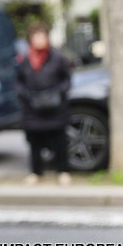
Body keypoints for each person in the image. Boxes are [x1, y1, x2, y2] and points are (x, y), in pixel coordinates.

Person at [16, 22, 73, 186]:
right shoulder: (25, 60)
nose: (39, 39)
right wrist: (27, 95)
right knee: (35, 143)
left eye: (42, 36)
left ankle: (63, 171)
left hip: (56, 108)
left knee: (60, 141)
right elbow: (19, 81)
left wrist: (58, 93)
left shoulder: (57, 57)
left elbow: (67, 79)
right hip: (33, 109)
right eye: (36, 36)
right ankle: (36, 172)